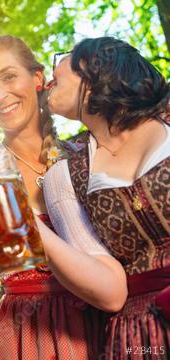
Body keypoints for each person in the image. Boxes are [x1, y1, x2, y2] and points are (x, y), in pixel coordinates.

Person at [0, 35, 126, 359]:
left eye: (8, 76)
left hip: (101, 324)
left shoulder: (86, 152)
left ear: (38, 78)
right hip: (23, 336)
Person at [44, 36, 169, 358]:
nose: (46, 80)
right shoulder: (64, 174)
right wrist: (21, 219)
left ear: (95, 64)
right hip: (141, 337)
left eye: (60, 59)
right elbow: (109, 292)